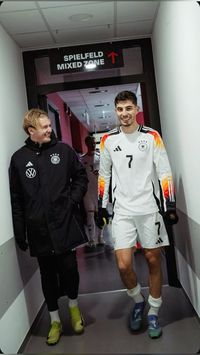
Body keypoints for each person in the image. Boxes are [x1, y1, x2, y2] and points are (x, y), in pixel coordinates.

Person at [96, 91, 178, 339]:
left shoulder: (152, 136)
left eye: (129, 108)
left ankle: (153, 312)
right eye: (120, 109)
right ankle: (137, 300)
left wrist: (170, 204)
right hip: (122, 211)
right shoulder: (108, 140)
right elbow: (104, 175)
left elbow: (164, 171)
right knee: (123, 264)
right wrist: (102, 205)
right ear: (115, 110)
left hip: (149, 209)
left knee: (153, 259)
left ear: (137, 109)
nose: (124, 113)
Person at [9, 108, 88, 346]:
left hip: (64, 225)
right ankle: (55, 320)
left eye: (49, 125)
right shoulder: (19, 159)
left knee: (69, 270)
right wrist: (20, 230)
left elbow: (81, 177)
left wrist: (72, 200)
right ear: (31, 131)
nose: (49, 130)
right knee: (48, 277)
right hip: (38, 231)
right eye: (44, 127)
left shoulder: (63, 151)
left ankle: (74, 308)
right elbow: (17, 199)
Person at [81, 135, 105, 248]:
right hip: (88, 191)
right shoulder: (82, 159)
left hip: (100, 190)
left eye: (94, 142)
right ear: (86, 144)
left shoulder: (100, 157)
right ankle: (91, 239)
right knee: (90, 214)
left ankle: (100, 237)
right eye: (90, 143)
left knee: (101, 214)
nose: (93, 144)